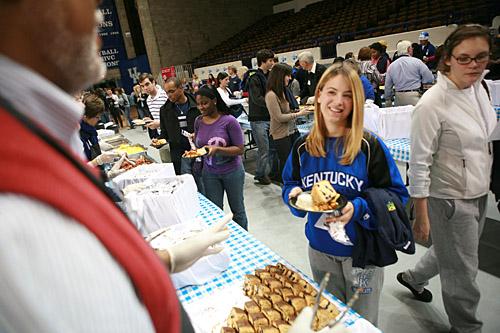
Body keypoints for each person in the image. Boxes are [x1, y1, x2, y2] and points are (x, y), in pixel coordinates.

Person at [0, 1, 234, 331]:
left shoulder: (39, 131)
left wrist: (166, 260)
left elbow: (96, 269)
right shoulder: (13, 206)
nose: (97, 13)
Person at [282, 62, 408, 325]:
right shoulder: (302, 147)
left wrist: (359, 208)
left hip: (362, 255)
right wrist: (294, 196)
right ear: (318, 96)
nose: (338, 101)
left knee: (362, 322)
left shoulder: (369, 145)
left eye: (348, 95)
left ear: (356, 102)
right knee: (330, 321)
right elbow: (289, 183)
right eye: (331, 92)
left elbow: (397, 195)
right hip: (319, 250)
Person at [397, 25, 496, 333]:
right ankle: (467, 327)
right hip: (450, 198)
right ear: (448, 59)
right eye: (464, 58)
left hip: (478, 191)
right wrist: (422, 216)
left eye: (481, 57)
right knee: (463, 272)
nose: (474, 64)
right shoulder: (431, 104)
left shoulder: (480, 87)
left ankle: (412, 277)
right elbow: (420, 164)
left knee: (454, 253)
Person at [194, 86, 249, 230]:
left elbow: (239, 149)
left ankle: (243, 240)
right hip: (210, 173)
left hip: (232, 172)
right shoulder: (198, 121)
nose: (201, 107)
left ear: (214, 101)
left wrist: (218, 150)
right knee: (215, 212)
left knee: (237, 210)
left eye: (205, 103)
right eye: (198, 104)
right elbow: (198, 144)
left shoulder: (229, 121)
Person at [265, 63, 311, 183]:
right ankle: (288, 186)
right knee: (287, 162)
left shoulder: (283, 92)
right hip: (281, 134)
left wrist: (298, 111)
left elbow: (286, 111)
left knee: (296, 160)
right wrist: (298, 114)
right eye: (288, 75)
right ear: (280, 76)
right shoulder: (271, 95)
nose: (290, 78)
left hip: (292, 131)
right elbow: (279, 117)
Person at [155, 77, 201, 177]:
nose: (169, 95)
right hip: (179, 155)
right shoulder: (164, 110)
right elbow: (164, 134)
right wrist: (158, 142)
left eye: (171, 91)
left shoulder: (198, 105)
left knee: (202, 185)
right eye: (167, 92)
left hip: (198, 151)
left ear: (181, 88)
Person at [248, 49, 275, 185]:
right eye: (270, 60)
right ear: (263, 62)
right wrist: (273, 103)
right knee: (263, 149)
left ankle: (266, 171)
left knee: (270, 148)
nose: (272, 63)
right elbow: (256, 98)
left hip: (269, 117)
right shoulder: (254, 77)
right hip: (258, 119)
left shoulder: (270, 75)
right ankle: (260, 174)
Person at [384, 40, 434, 106]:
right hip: (414, 96)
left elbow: (387, 86)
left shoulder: (392, 65)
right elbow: (429, 78)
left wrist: (388, 100)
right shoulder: (417, 62)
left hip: (398, 98)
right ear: (408, 49)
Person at [139, 73, 168, 141]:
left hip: (173, 134)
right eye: (142, 86)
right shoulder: (148, 100)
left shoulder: (165, 95)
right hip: (161, 135)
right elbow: (157, 117)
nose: (145, 88)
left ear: (153, 82)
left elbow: (174, 116)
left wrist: (159, 123)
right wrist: (150, 120)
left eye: (147, 84)